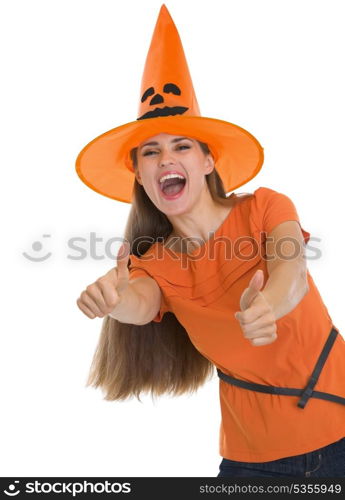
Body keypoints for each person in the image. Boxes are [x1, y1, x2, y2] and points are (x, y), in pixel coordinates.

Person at [75, 5, 345, 477]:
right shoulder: (152, 264)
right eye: (150, 152)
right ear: (138, 175)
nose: (166, 159)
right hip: (250, 464)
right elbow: (139, 303)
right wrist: (113, 299)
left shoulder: (265, 206)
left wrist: (269, 306)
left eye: (181, 146)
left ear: (206, 162)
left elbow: (292, 269)